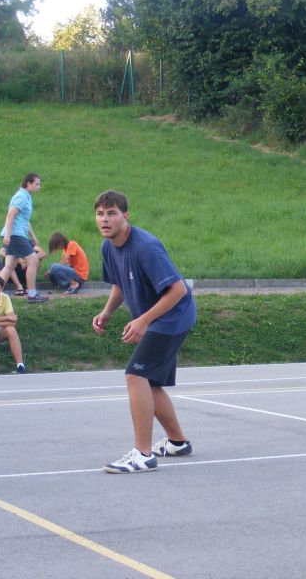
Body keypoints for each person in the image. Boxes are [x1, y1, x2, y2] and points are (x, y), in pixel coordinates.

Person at [92, 190, 196, 473]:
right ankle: (177, 442)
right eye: (100, 214)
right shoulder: (107, 247)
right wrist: (107, 311)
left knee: (135, 375)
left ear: (125, 216)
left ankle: (143, 454)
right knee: (149, 383)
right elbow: (119, 283)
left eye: (111, 213)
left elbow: (178, 289)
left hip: (173, 317)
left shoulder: (146, 247)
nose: (105, 219)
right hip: (157, 319)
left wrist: (143, 321)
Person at [0, 173, 48, 303]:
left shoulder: (26, 196)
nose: (39, 187)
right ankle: (32, 294)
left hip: (16, 234)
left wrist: (33, 236)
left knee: (9, 266)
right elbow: (10, 215)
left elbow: (24, 220)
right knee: (33, 261)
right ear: (28, 184)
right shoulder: (21, 196)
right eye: (36, 184)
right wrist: (8, 235)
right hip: (15, 234)